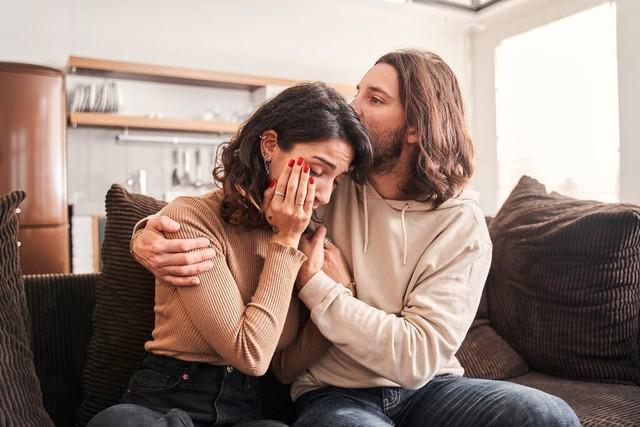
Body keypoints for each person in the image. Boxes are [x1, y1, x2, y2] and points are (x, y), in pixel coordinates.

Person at [131, 50, 581, 427]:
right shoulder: (330, 186)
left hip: (428, 387)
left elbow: (416, 358)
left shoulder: (460, 224)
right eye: (357, 93)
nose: (355, 107)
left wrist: (323, 288)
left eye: (375, 98)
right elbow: (238, 207)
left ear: (416, 127)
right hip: (334, 393)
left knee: (547, 414)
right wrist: (145, 233)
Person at [87, 82, 373, 427]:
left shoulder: (303, 240)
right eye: (315, 170)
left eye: (336, 180)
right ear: (269, 145)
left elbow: (280, 367)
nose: (325, 195)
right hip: (168, 398)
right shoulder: (194, 218)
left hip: (246, 408)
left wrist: (337, 298)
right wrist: (285, 241)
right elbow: (248, 353)